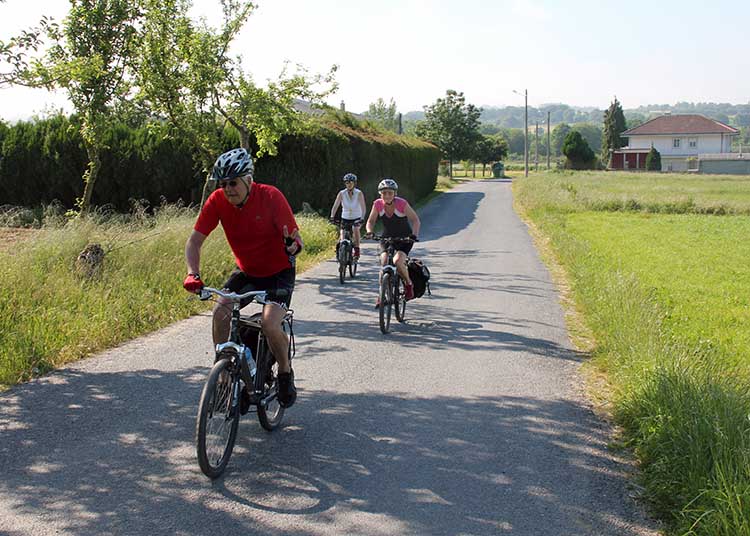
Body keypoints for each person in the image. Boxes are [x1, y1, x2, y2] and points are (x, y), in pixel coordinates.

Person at [183, 147, 303, 408]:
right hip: (247, 271)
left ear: (249, 180)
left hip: (278, 272)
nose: (227, 189)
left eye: (233, 183)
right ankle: (224, 377)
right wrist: (193, 273)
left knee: (271, 325)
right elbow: (194, 243)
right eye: (223, 184)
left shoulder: (271, 197)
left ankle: (284, 371)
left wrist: (292, 245)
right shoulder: (217, 201)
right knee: (220, 311)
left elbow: (295, 239)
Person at [364, 177, 421, 304]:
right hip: (387, 237)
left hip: (404, 238)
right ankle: (382, 294)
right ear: (380, 194)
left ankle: (408, 284)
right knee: (384, 263)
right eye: (384, 193)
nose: (387, 195)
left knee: (397, 261)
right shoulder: (377, 204)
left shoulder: (402, 203)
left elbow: (415, 220)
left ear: (395, 193)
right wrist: (369, 231)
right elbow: (371, 221)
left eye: (390, 193)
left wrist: (414, 235)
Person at [329, 172, 366, 258]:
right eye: (347, 182)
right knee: (342, 234)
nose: (349, 184)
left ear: (354, 183)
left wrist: (362, 218)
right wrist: (332, 216)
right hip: (345, 217)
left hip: (357, 217)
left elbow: (363, 207)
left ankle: (357, 250)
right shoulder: (342, 193)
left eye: (351, 182)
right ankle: (341, 250)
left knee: (355, 229)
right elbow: (335, 205)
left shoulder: (359, 193)